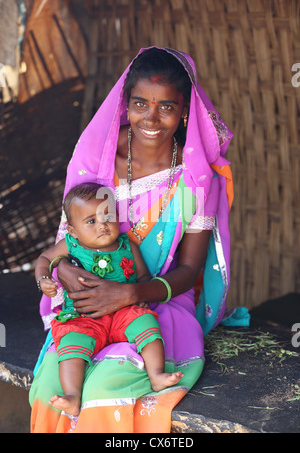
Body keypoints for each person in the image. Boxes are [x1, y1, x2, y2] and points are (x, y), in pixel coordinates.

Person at [29, 47, 234, 433]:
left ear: (185, 109)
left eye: (166, 107)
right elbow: (67, 237)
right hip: (86, 304)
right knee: (53, 387)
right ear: (126, 104)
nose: (151, 118)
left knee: (109, 386)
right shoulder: (97, 155)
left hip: (157, 303)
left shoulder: (195, 177)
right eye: (140, 103)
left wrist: (130, 294)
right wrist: (67, 272)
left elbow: (189, 270)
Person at [35, 182, 183, 416]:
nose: (102, 225)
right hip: (83, 317)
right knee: (71, 346)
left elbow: (144, 275)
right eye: (91, 221)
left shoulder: (127, 246)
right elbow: (45, 258)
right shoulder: (71, 245)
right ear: (72, 231)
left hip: (123, 311)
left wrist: (141, 293)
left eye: (108, 216)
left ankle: (156, 375)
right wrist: (44, 279)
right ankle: (73, 396)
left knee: (147, 323)